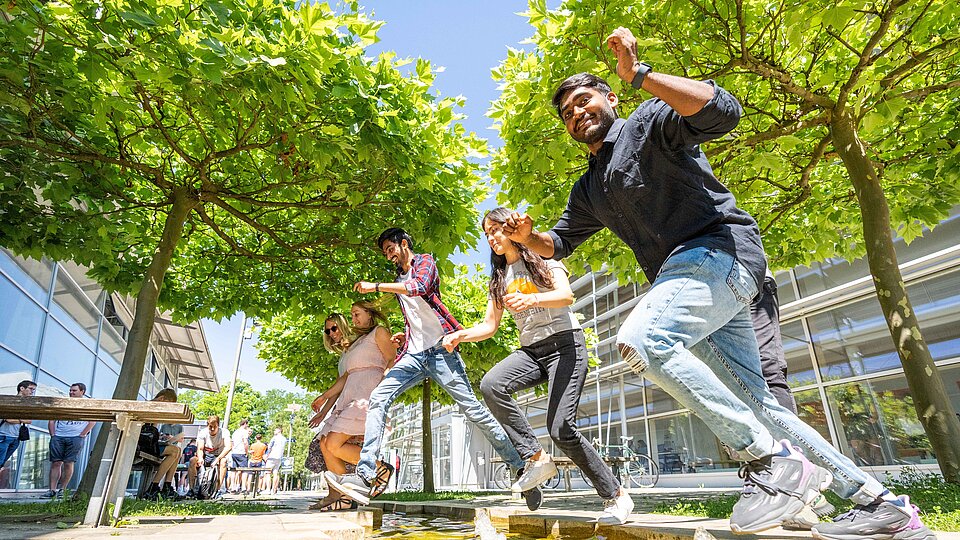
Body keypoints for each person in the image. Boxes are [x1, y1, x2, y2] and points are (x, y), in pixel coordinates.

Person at [500, 26, 936, 539]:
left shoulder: (646, 122)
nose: (577, 113)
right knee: (759, 403)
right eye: (568, 112)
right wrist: (530, 238)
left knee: (644, 340)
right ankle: (883, 506)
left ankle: (768, 461)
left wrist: (641, 74)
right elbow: (561, 242)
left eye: (584, 100)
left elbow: (721, 110)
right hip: (690, 279)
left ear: (609, 98)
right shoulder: (589, 187)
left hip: (720, 252)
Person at [442, 206, 625, 521]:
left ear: (509, 228)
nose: (492, 238)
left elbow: (566, 296)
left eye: (496, 229)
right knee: (491, 384)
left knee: (561, 428)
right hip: (533, 352)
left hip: (566, 345)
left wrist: (533, 299)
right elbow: (489, 326)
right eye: (487, 234)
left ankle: (615, 496)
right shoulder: (499, 278)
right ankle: (536, 457)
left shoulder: (542, 256)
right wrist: (461, 335)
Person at [345, 227, 534, 508]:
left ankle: (520, 468)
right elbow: (415, 318)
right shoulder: (398, 279)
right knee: (378, 397)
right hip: (413, 355)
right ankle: (366, 473)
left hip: (442, 352)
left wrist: (375, 286)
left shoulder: (425, 263)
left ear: (404, 243)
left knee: (474, 410)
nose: (389, 255)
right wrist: (405, 338)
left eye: (391, 248)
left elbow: (418, 287)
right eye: (385, 252)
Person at [313, 303, 396, 511]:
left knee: (333, 443)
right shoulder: (357, 343)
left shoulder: (379, 332)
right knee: (325, 444)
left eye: (357, 314)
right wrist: (324, 397)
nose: (353, 319)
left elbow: (393, 359)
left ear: (369, 314)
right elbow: (347, 376)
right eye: (351, 315)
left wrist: (383, 386)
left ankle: (380, 468)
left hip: (367, 395)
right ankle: (344, 497)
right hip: (351, 396)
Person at [44, 383, 95, 498]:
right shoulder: (63, 404)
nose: (71, 392)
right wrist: (53, 435)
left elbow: (93, 421)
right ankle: (52, 490)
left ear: (82, 392)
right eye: (70, 390)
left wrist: (82, 434)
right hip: (59, 436)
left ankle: (63, 489)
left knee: (68, 463)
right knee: (56, 462)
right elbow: (51, 420)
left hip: (75, 438)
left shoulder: (87, 405)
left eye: (74, 391)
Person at [140, 388, 185, 501]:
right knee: (175, 451)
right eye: (168, 404)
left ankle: (167, 487)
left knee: (177, 451)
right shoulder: (149, 406)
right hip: (142, 445)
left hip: (148, 443)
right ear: (162, 398)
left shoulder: (153, 407)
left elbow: (153, 431)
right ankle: (154, 487)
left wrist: (163, 439)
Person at [187, 415, 231, 497]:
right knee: (192, 460)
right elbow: (200, 448)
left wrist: (218, 459)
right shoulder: (203, 432)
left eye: (215, 427)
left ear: (218, 425)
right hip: (205, 455)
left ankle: (218, 490)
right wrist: (200, 458)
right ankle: (192, 489)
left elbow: (228, 447)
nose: (212, 429)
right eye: (210, 426)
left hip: (218, 455)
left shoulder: (224, 432)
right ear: (207, 425)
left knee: (223, 462)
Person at [0, 380, 36, 473]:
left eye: (34, 390)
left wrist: (17, 420)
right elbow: (8, 419)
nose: (32, 391)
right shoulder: (10, 401)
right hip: (4, 436)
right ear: (22, 388)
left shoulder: (27, 405)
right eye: (31, 389)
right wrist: (21, 420)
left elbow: (29, 420)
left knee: (2, 463)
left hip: (16, 438)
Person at [228, 419, 251, 493]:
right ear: (245, 424)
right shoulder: (244, 432)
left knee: (234, 470)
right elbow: (245, 443)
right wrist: (247, 452)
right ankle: (243, 487)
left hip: (234, 452)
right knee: (244, 470)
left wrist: (233, 450)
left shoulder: (235, 432)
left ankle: (233, 487)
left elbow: (232, 443)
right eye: (247, 424)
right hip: (241, 452)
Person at [264, 426, 287, 494]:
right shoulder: (284, 439)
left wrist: (266, 455)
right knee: (275, 472)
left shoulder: (274, 438)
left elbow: (269, 447)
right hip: (279, 457)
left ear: (279, 431)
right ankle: (274, 489)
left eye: (275, 430)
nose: (274, 432)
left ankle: (268, 489)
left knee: (267, 473)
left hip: (272, 456)